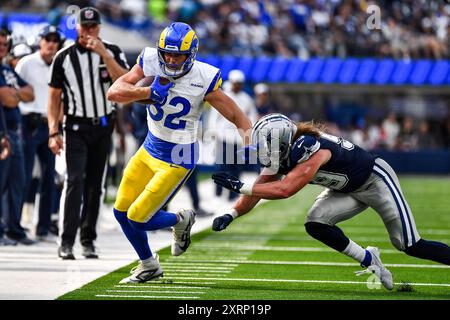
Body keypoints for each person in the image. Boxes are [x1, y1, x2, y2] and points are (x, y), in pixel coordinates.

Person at [212, 113, 450, 291]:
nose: (264, 151)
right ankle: (369, 259)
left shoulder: (308, 147)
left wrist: (239, 185)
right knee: (315, 223)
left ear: (282, 140)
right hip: (345, 190)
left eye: (266, 144)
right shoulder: (283, 150)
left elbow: (286, 189)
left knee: (409, 244)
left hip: (374, 181)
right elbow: (260, 188)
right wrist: (231, 214)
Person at [107, 22, 253, 283]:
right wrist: (147, 92)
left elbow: (236, 114)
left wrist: (248, 140)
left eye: (179, 55)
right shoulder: (150, 59)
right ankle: (149, 264)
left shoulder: (203, 77)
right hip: (149, 147)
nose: (172, 60)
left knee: (138, 218)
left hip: (178, 157)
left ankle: (179, 220)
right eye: (168, 54)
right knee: (120, 212)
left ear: (192, 54)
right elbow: (114, 92)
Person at [47, 7, 129, 260]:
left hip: (103, 126)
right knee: (74, 182)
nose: (89, 31)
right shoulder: (64, 56)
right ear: (77, 27)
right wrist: (53, 131)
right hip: (74, 128)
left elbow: (125, 83)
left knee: (96, 186)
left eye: (93, 27)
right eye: (84, 27)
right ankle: (66, 241)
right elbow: (54, 97)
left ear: (100, 28)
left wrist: (104, 53)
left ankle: (88, 240)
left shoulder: (112, 51)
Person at [15, 25, 63, 242]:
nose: (51, 43)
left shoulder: (60, 63)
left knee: (48, 177)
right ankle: (14, 225)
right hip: (28, 122)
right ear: (40, 40)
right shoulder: (27, 63)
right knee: (22, 176)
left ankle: (42, 228)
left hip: (49, 125)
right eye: (48, 39)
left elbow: (61, 97)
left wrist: (57, 126)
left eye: (55, 39)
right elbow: (15, 90)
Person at [0, 29, 36, 245]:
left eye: (5, 44)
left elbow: (30, 92)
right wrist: (15, 94)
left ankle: (13, 228)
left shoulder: (6, 70)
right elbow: (6, 97)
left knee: (17, 182)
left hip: (16, 132)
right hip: (2, 132)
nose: (2, 48)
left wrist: (14, 94)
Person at [209, 69, 258, 201]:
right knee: (222, 165)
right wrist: (213, 131)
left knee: (236, 166)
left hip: (238, 138)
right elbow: (214, 115)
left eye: (240, 83)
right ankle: (218, 192)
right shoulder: (224, 96)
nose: (238, 85)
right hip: (223, 136)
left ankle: (233, 193)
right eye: (236, 83)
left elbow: (251, 117)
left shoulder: (246, 99)